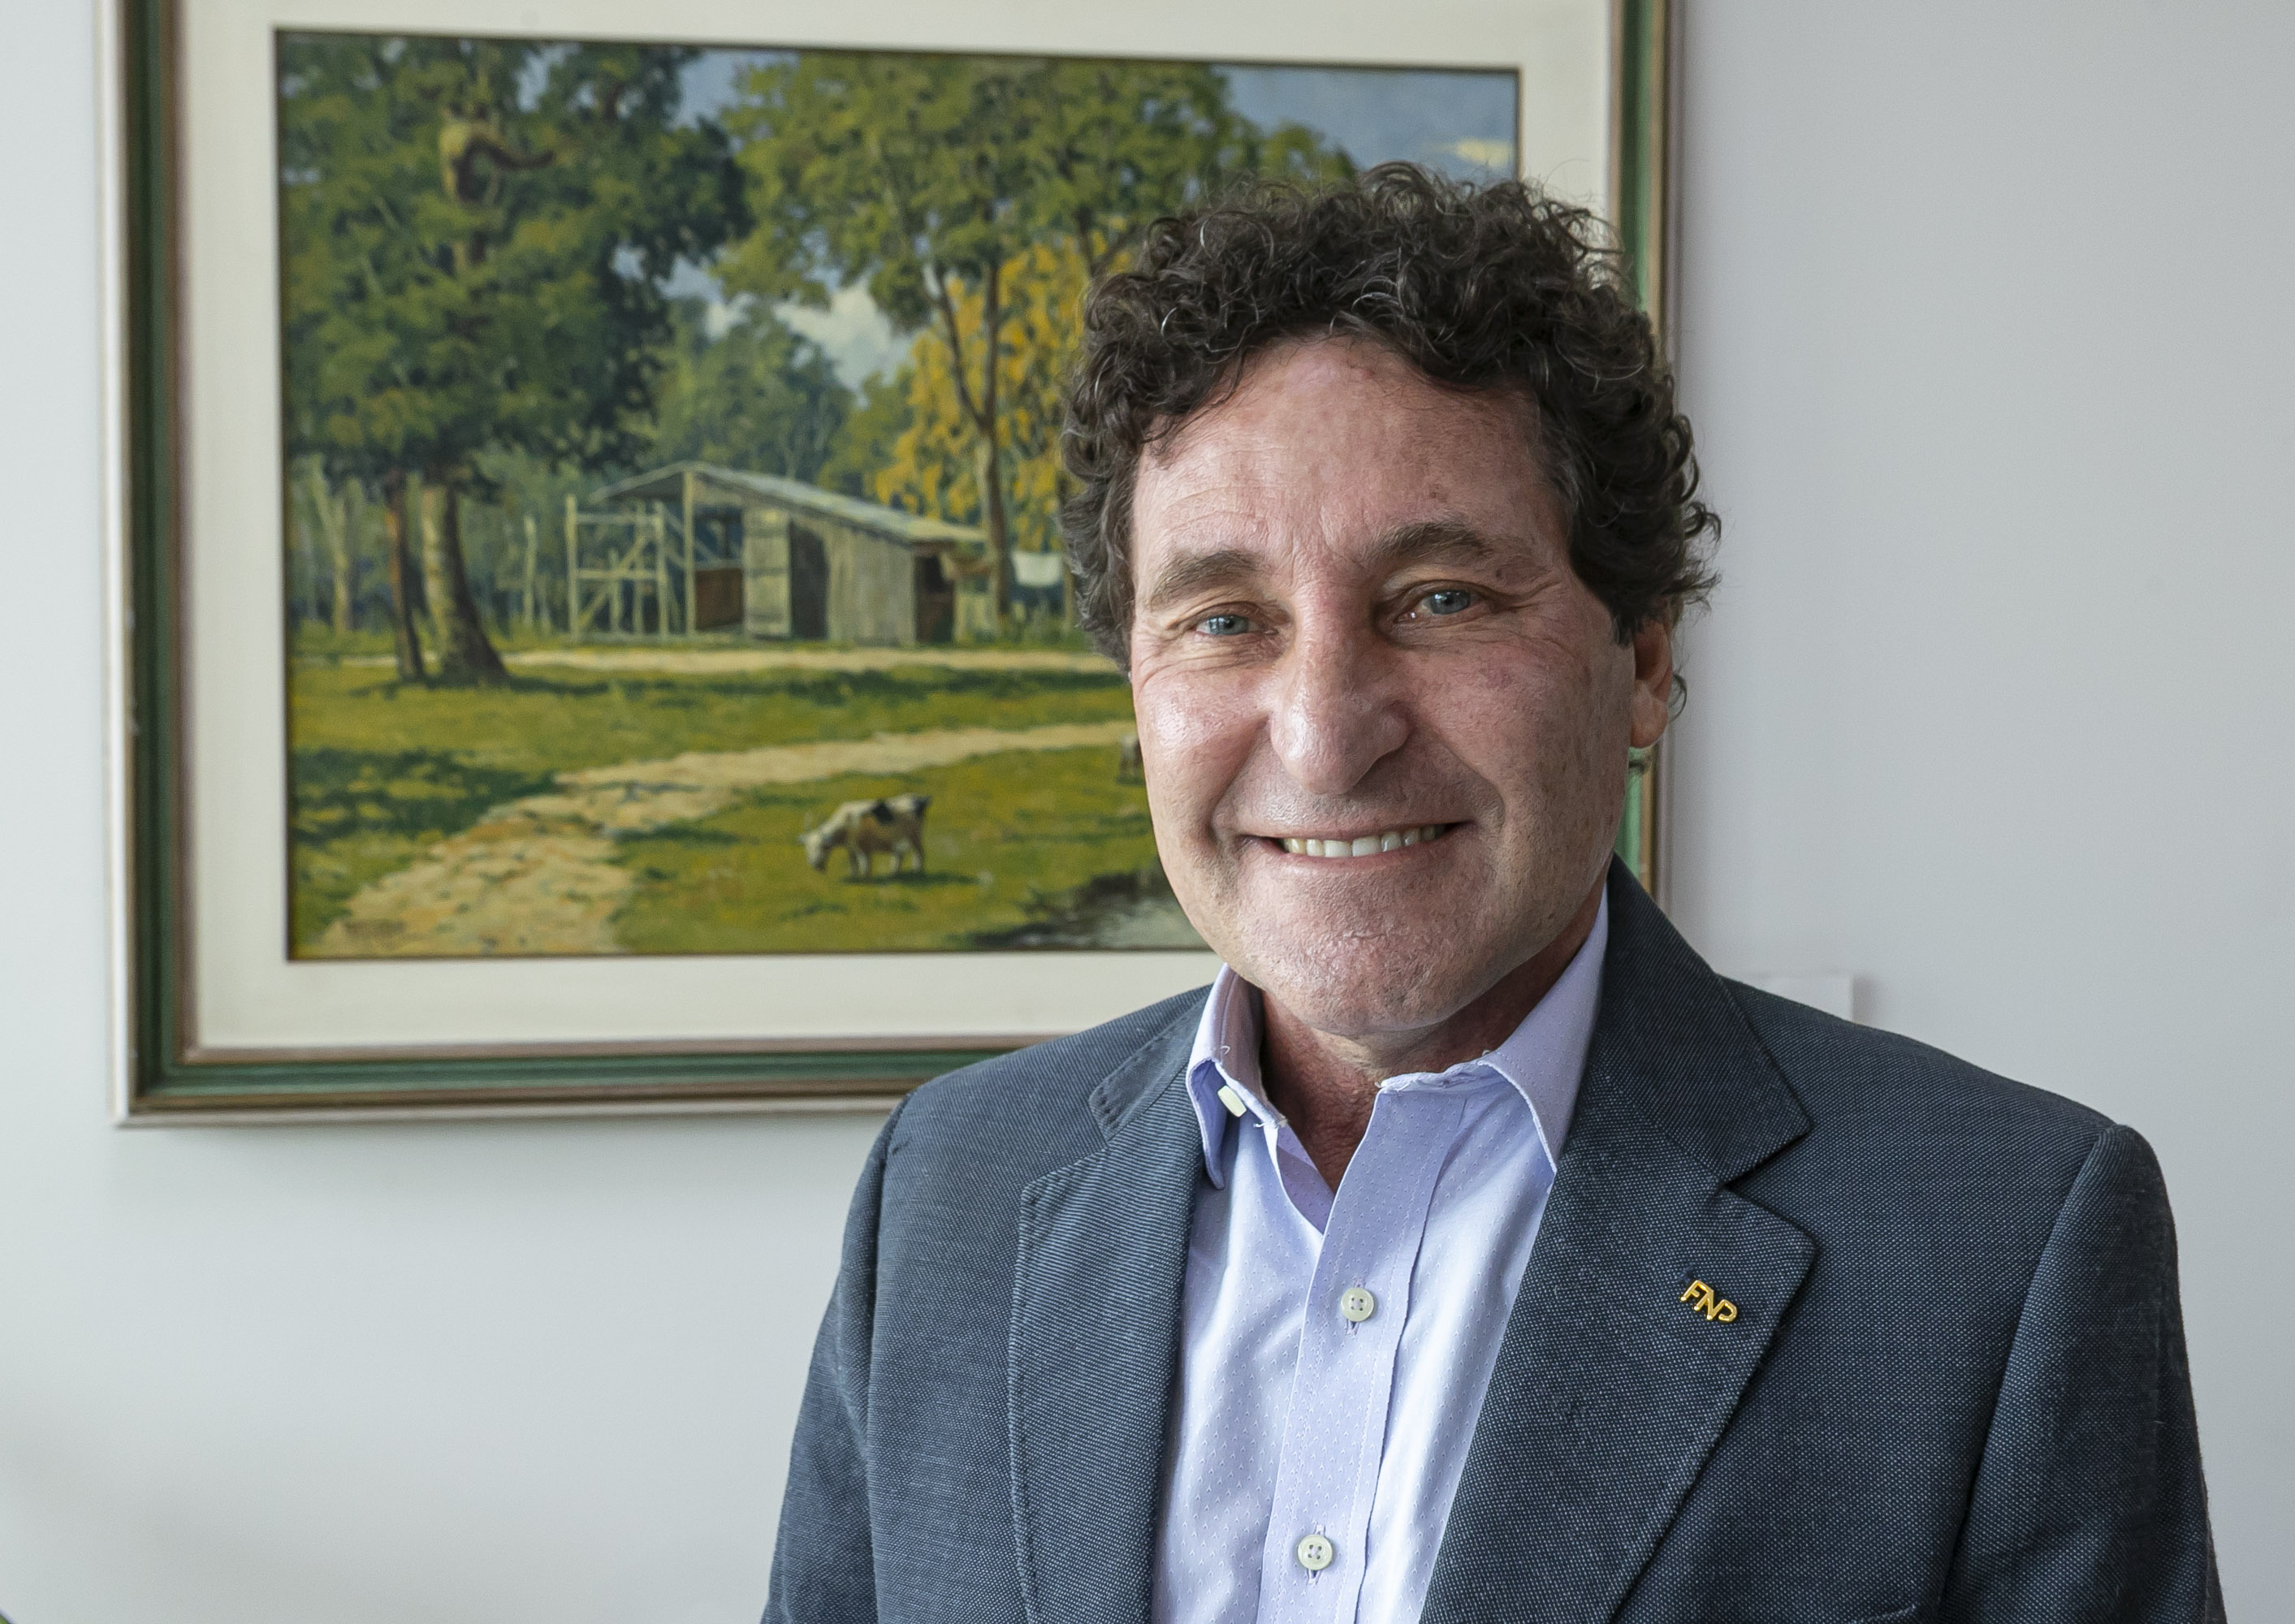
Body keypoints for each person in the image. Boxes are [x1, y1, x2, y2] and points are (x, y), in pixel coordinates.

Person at [763, 164, 2221, 1624]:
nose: (1324, 737)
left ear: (1642, 660)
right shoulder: (947, 1190)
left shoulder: (2001, 1244)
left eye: (1441, 600)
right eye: (1224, 620)